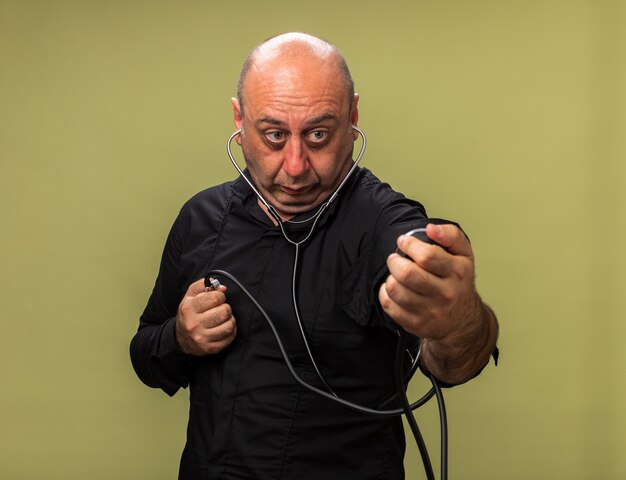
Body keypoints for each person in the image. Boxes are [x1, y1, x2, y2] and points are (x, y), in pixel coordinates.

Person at [130, 32, 499, 480]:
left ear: (353, 118)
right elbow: (147, 354)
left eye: (319, 134)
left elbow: (456, 363)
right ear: (238, 121)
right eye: (274, 135)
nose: (296, 165)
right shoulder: (201, 218)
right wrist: (180, 339)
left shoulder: (386, 225)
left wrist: (458, 319)